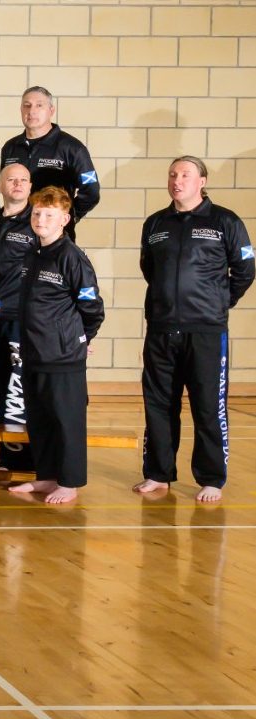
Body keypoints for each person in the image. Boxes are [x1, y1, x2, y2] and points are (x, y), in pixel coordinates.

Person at [133, 156, 254, 503]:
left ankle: (211, 478)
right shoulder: (155, 223)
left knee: (207, 406)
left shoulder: (225, 221)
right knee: (158, 404)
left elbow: (245, 271)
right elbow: (149, 268)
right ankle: (158, 474)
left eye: (185, 174)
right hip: (160, 330)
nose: (177, 180)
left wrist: (217, 304)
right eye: (172, 174)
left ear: (201, 181)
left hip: (205, 331)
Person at [9, 188, 105, 505]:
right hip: (34, 352)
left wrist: (80, 338)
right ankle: (47, 476)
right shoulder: (33, 253)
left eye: (49, 214)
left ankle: (70, 481)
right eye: (37, 213)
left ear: (64, 219)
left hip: (63, 357)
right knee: (41, 420)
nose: (40, 219)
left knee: (66, 420)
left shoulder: (72, 257)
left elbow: (92, 309)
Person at [0, 163, 37, 470]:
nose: (16, 184)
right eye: (10, 180)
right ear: (0, 187)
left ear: (30, 186)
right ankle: (7, 453)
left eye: (22, 180)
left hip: (20, 317)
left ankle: (23, 456)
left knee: (17, 388)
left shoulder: (36, 222)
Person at [0, 87, 100, 224]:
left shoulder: (73, 148)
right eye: (27, 105)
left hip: (53, 233)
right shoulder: (10, 147)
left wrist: (67, 217)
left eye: (39, 105)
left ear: (51, 111)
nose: (32, 111)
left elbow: (91, 192)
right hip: (17, 231)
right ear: (21, 110)